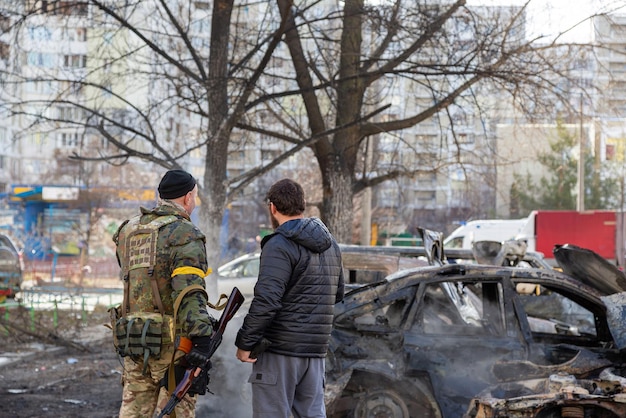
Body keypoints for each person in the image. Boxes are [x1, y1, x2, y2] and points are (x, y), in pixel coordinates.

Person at [235, 178, 345, 418]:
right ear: (302, 205)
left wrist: (245, 343)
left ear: (272, 207)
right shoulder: (331, 245)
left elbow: (267, 300)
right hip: (316, 353)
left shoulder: (279, 244)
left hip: (280, 351)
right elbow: (337, 294)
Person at [113, 169, 215, 418]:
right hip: (172, 349)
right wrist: (202, 340)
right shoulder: (185, 233)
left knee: (134, 413)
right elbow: (189, 292)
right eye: (195, 197)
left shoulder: (127, 231)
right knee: (175, 412)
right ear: (188, 197)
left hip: (134, 340)